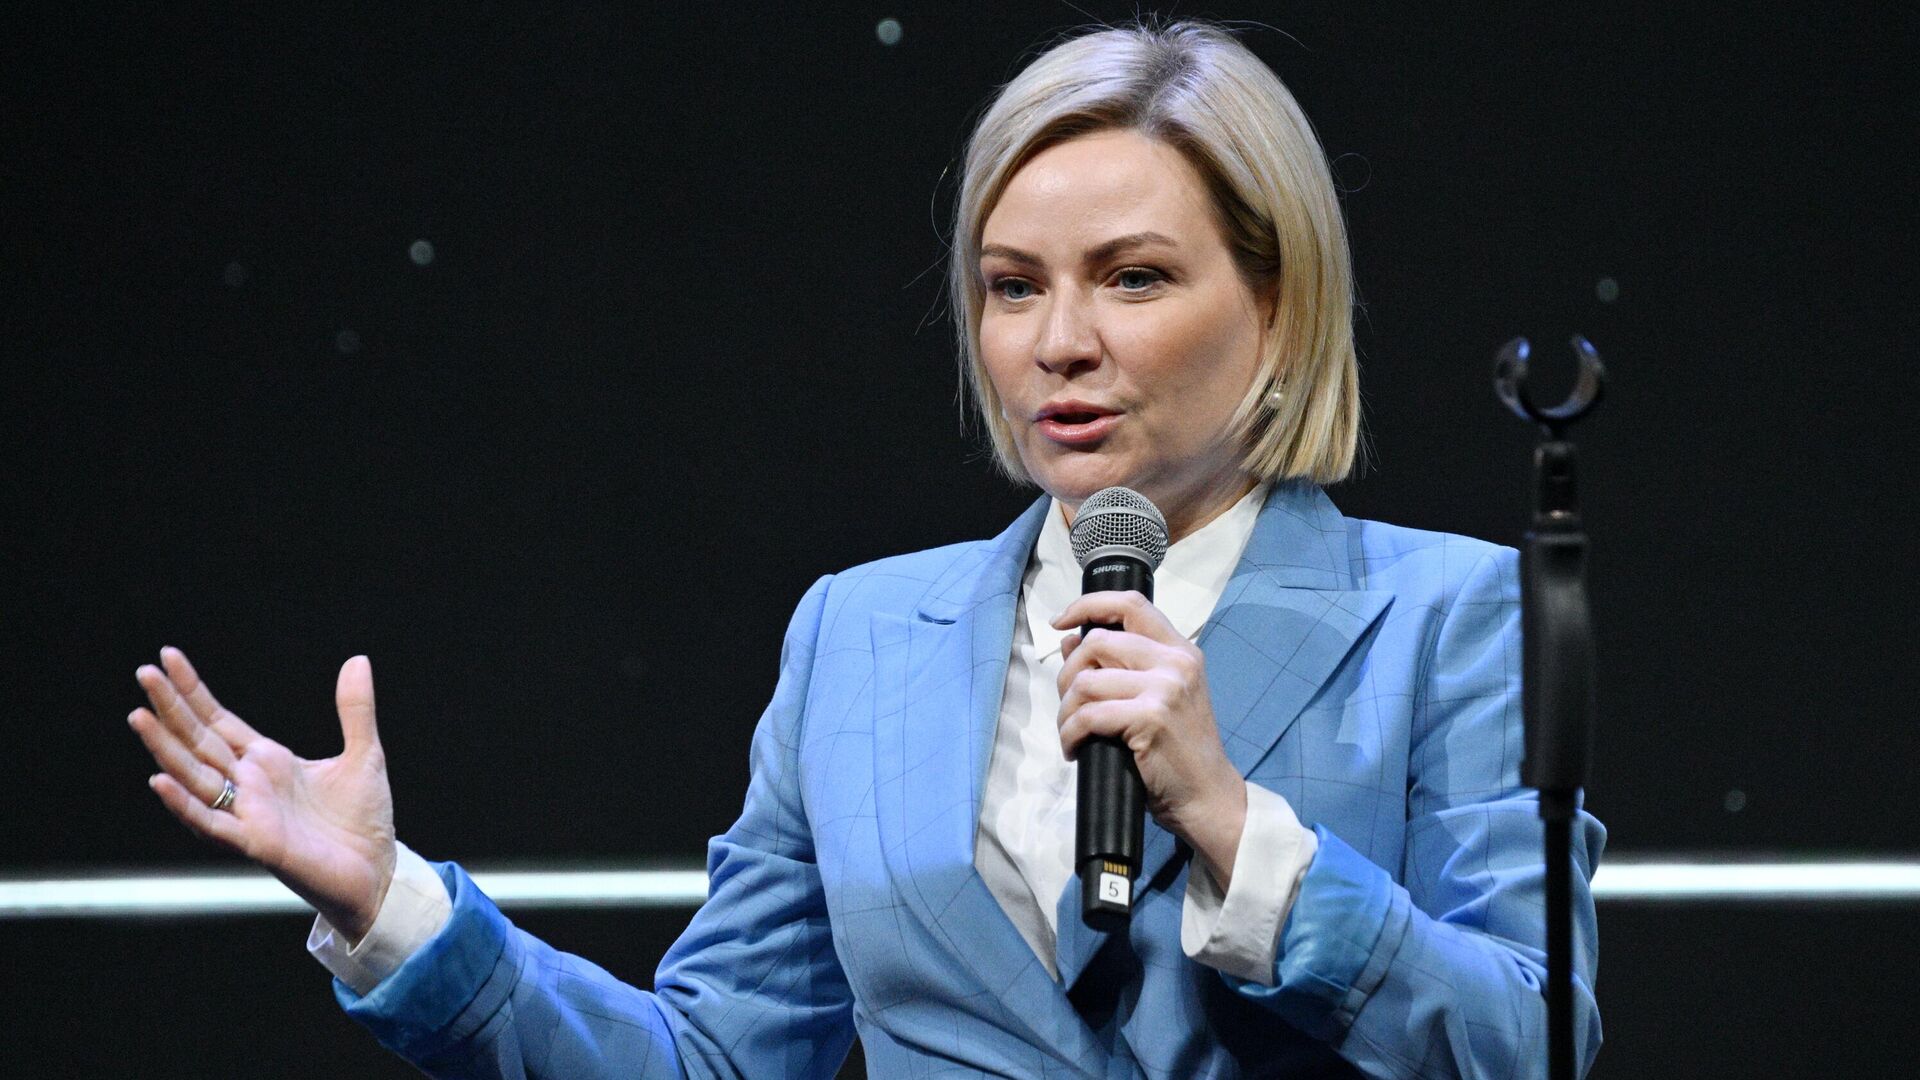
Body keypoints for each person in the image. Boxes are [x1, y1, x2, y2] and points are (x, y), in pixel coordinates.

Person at [127, 19, 1603, 1079]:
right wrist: (393, 905)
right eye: (1012, 287)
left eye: (1134, 279)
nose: (1060, 342)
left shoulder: (1447, 616)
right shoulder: (856, 637)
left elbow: (1531, 1042)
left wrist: (1232, 822)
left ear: (1277, 306)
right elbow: (711, 1060)